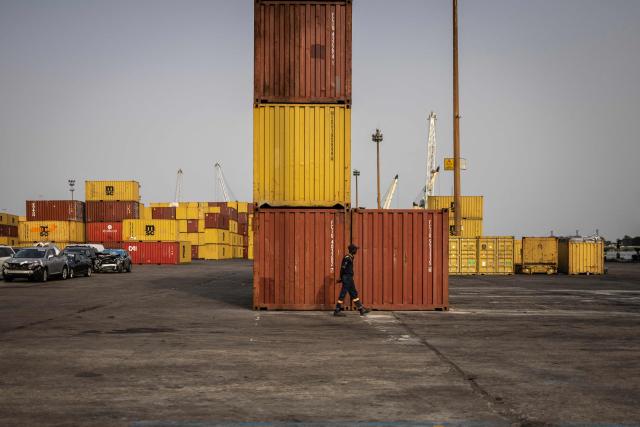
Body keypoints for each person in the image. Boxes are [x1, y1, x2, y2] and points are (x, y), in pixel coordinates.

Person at [334, 244, 370, 316]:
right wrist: (341, 278)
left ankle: (361, 309)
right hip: (347, 278)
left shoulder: (351, 257)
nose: (356, 251)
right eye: (355, 249)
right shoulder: (347, 258)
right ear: (352, 250)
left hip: (349, 278)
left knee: (353, 293)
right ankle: (337, 311)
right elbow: (342, 268)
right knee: (343, 293)